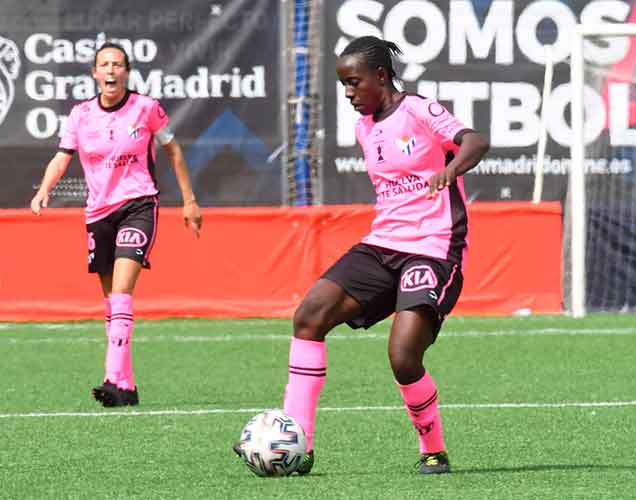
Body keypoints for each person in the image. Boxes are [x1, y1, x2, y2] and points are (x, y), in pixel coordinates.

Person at [234, 35, 488, 475]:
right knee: (309, 315)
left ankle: (434, 448)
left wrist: (450, 169)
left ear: (381, 77)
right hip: (383, 243)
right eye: (343, 86)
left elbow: (475, 141)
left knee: (403, 355)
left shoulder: (419, 110)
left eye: (354, 83)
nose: (349, 94)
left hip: (432, 248)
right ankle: (299, 444)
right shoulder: (364, 127)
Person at [30, 42, 202, 407]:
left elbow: (173, 150)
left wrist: (189, 201)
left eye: (117, 65)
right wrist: (44, 189)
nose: (110, 71)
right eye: (104, 65)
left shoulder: (146, 108)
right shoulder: (80, 115)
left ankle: (111, 376)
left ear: (126, 72)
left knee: (123, 291)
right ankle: (126, 387)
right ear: (94, 73)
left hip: (139, 204)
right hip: (98, 213)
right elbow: (62, 157)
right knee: (111, 301)